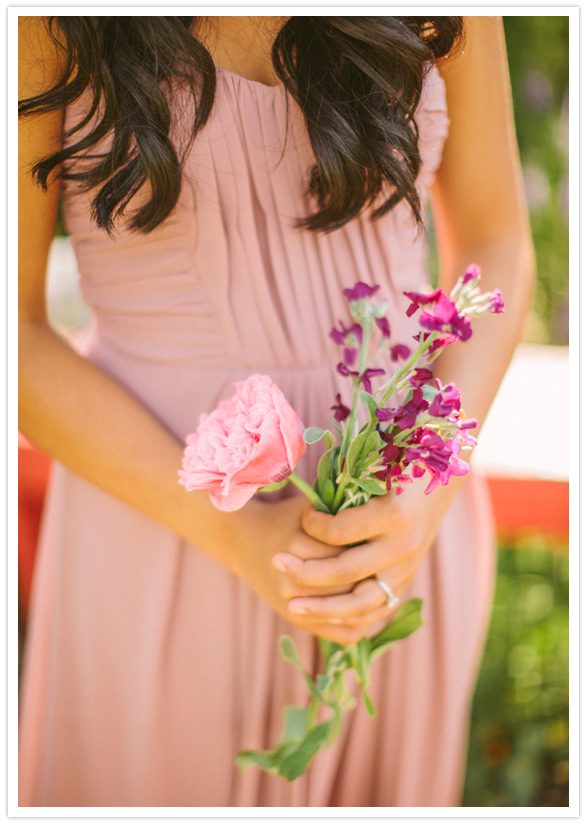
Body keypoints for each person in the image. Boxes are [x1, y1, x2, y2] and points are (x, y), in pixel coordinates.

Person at [18, 15, 534, 807]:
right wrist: (239, 531)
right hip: (160, 525)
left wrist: (422, 487)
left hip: (393, 539)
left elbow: (497, 241)